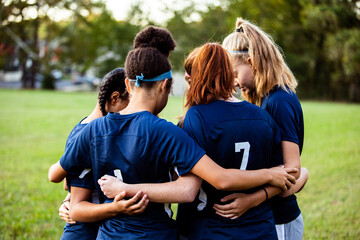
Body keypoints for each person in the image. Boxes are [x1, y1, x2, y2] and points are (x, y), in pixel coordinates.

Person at [60, 26, 297, 239]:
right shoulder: (263, 117)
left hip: (199, 229)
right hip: (255, 229)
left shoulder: (92, 130)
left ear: (128, 85)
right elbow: (195, 186)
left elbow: (59, 175)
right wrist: (269, 178)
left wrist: (84, 198)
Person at [221, 17, 308, 240]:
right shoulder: (264, 99)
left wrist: (251, 200)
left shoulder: (279, 101)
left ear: (252, 62)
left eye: (235, 74)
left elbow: (292, 173)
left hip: (281, 219)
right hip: (264, 218)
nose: (234, 83)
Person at [48, 68, 148, 240]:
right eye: (130, 103)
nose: (133, 111)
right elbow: (59, 177)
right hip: (83, 229)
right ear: (115, 98)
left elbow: (69, 184)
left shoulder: (89, 126)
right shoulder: (90, 134)